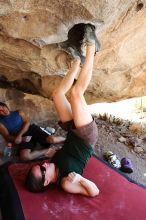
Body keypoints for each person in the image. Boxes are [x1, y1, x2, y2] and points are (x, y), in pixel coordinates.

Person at [26, 24, 100, 197]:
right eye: (42, 170)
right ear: (46, 181)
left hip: (72, 132)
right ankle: (92, 47)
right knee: (76, 94)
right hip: (85, 138)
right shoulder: (67, 182)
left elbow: (63, 152)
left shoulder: (52, 164)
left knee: (57, 94)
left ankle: (76, 61)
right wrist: (81, 180)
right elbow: (95, 192)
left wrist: (56, 149)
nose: (43, 164)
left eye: (39, 165)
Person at [0, 102, 65, 161]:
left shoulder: (18, 112)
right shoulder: (1, 123)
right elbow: (7, 137)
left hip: (31, 129)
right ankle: (47, 150)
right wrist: (18, 138)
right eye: (1, 111)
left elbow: (27, 123)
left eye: (3, 107)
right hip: (24, 138)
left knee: (52, 140)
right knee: (24, 157)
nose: (4, 110)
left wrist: (19, 135)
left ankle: (68, 140)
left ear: (6, 105)